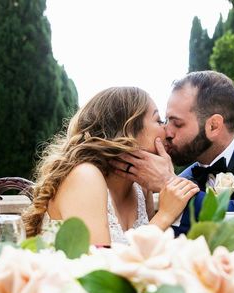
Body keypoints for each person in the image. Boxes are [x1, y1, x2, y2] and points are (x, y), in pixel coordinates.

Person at [110, 70, 234, 234]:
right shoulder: (185, 177)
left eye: (177, 123)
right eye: (165, 120)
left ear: (214, 126)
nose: (167, 132)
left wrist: (168, 183)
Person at [22, 87, 199, 245]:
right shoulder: (85, 176)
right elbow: (99, 267)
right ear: (128, 130)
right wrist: (165, 215)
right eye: (159, 120)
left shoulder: (139, 186)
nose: (167, 131)